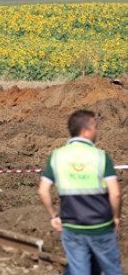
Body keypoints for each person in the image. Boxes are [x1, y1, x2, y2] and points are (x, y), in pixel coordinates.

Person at [38, 110, 123, 275]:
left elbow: (43, 191)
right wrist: (116, 216)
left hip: (72, 227)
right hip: (101, 226)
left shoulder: (57, 156)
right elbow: (116, 193)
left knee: (79, 271)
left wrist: (53, 215)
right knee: (113, 270)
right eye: (95, 127)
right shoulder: (101, 157)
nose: (97, 131)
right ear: (86, 131)